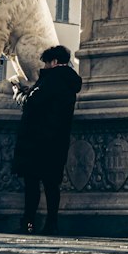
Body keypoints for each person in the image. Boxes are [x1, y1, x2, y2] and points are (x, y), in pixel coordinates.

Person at [12, 44, 82, 235]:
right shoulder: (69, 83)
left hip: (37, 141)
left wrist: (19, 94)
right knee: (52, 184)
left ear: (54, 62)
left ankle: (28, 223)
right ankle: (52, 223)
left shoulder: (52, 79)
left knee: (32, 184)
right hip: (57, 141)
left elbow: (33, 102)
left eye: (46, 63)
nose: (44, 67)